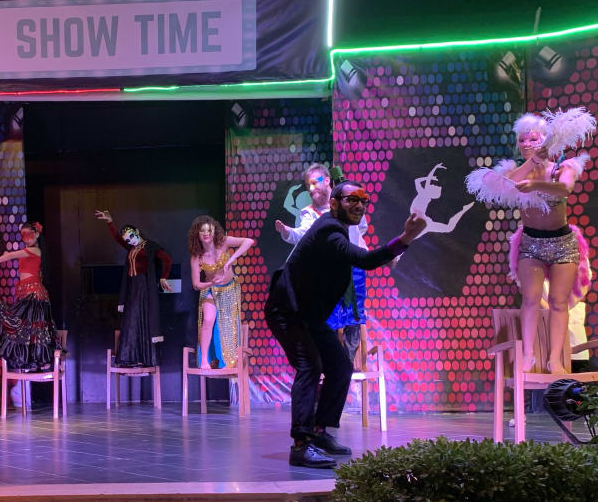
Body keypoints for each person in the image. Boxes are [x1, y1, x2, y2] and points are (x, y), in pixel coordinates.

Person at [266, 180, 426, 468]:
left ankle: (318, 432)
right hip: (287, 311)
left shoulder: (342, 231)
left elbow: (366, 257)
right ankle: (301, 445)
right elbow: (366, 260)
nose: (359, 205)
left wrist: (396, 248)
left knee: (340, 366)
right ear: (334, 203)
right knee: (310, 365)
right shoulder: (329, 230)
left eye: (364, 200)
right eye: (352, 199)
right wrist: (405, 238)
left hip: (308, 314)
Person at [466, 108, 594, 374]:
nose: (526, 143)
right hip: (531, 244)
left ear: (546, 140)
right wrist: (532, 162)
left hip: (562, 244)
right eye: (522, 140)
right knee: (531, 298)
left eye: (533, 139)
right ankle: (527, 356)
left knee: (558, 302)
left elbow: (565, 189)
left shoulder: (562, 167)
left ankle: (555, 359)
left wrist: (537, 184)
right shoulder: (516, 171)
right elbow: (502, 184)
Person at [275, 163, 370, 360]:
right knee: (328, 317)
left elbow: (361, 226)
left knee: (353, 316)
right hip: (327, 273)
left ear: (327, 180)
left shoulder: (346, 203)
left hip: (352, 268)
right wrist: (287, 231)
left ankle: (347, 362)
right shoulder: (309, 212)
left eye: (315, 183)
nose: (311, 189)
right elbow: (302, 234)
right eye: (308, 185)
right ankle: (333, 362)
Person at [94, 210, 172, 367]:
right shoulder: (131, 248)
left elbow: (167, 259)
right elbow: (117, 239)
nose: (130, 241)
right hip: (133, 288)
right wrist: (110, 222)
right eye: (127, 240)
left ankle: (145, 358)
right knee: (130, 321)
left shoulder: (149, 246)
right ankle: (130, 357)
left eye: (131, 236)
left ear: (136, 231)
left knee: (142, 319)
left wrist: (163, 277)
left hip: (144, 287)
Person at [0, 221, 61, 372]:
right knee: (25, 330)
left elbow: (12, 255)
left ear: (36, 234)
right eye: (23, 235)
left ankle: (41, 360)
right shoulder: (27, 252)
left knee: (36, 330)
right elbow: (13, 255)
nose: (26, 238)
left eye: (29, 234)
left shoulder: (35, 251)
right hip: (26, 295)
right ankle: (30, 361)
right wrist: (4, 256)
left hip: (34, 295)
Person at [188, 216, 255, 369]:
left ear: (214, 231)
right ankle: (204, 361)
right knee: (208, 319)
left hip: (229, 289)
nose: (206, 233)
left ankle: (228, 361)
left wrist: (231, 260)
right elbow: (196, 285)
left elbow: (249, 241)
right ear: (197, 234)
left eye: (209, 230)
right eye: (202, 231)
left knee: (227, 324)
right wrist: (211, 283)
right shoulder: (197, 256)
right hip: (211, 289)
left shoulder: (223, 242)